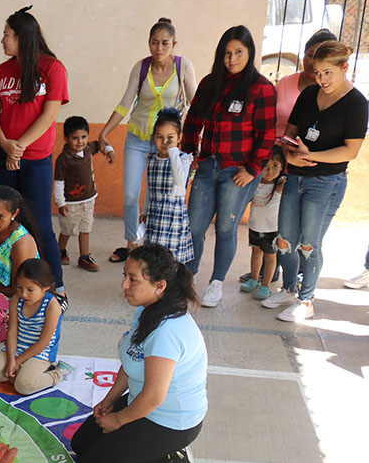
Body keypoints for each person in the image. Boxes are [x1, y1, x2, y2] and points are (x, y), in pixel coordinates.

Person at [71, 244, 206, 463]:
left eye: (133, 280)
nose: (124, 285)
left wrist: (119, 419)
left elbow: (154, 396)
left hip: (171, 422)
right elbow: (132, 358)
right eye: (125, 276)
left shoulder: (167, 331)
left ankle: (170, 454)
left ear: (159, 286)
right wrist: (110, 400)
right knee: (80, 444)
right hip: (142, 402)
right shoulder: (146, 310)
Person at [265, 41, 367, 322]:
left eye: (328, 73)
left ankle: (306, 299)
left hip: (326, 182)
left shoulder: (357, 103)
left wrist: (312, 156)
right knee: (284, 239)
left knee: (310, 243)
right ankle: (288, 289)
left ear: (344, 68)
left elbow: (351, 150)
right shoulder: (309, 94)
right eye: (317, 72)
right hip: (295, 176)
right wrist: (289, 155)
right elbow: (290, 131)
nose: (321, 79)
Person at [182, 25, 276, 308]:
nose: (232, 59)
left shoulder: (261, 88)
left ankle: (216, 282)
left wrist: (252, 168)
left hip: (238, 172)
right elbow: (193, 120)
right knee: (194, 228)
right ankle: (188, 278)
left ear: (250, 53)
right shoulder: (211, 83)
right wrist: (188, 155)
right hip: (208, 166)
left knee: (226, 228)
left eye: (238, 52)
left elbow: (267, 134)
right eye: (227, 53)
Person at [98, 18, 198, 262]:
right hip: (137, 137)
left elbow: (195, 105)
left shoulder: (183, 66)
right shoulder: (141, 67)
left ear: (174, 44)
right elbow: (125, 103)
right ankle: (133, 244)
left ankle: (154, 246)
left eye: (165, 43)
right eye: (154, 43)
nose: (159, 48)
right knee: (131, 196)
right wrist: (104, 132)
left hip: (165, 143)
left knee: (157, 196)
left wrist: (197, 142)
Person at [0, 6, 68, 291]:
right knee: (8, 224)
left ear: (23, 37)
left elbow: (49, 115)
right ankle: (14, 283)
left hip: (34, 158)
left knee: (41, 225)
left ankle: (55, 286)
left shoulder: (52, 69)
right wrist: (6, 145)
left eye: (7, 35)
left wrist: (18, 148)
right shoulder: (2, 71)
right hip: (4, 154)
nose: (3, 40)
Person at [0, 259, 63, 395]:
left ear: (45, 287)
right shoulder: (16, 299)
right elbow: (12, 333)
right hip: (18, 348)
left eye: (30, 289)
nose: (24, 294)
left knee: (24, 386)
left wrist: (16, 362)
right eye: (19, 288)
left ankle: (56, 374)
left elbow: (43, 344)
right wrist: (11, 359)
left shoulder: (52, 306)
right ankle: (21, 372)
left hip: (40, 353)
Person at [54, 116, 113, 272]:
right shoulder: (63, 159)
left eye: (84, 137)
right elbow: (59, 182)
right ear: (66, 139)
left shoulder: (88, 149)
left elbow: (101, 144)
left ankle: (84, 257)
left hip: (88, 199)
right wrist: (61, 203)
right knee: (67, 230)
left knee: (85, 228)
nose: (80, 142)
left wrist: (109, 151)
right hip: (71, 203)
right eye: (75, 138)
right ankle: (59, 251)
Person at [141, 109, 195, 263]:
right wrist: (144, 211)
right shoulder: (151, 159)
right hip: (155, 215)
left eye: (170, 138)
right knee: (154, 256)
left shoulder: (183, 159)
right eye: (159, 137)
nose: (165, 142)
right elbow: (149, 188)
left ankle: (172, 286)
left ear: (179, 138)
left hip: (173, 218)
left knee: (171, 258)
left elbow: (180, 181)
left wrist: (173, 152)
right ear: (153, 138)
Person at [240, 148, 286, 300]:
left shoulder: (280, 184)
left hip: (272, 230)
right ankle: (254, 279)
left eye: (275, 165)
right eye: (266, 165)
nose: (270, 170)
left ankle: (265, 286)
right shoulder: (254, 182)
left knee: (270, 258)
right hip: (254, 226)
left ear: (282, 167)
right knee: (256, 253)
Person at [274, 29, 337, 138]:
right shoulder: (284, 83)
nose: (314, 62)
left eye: (322, 58)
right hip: (277, 147)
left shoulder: (340, 91)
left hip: (315, 153)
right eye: (311, 55)